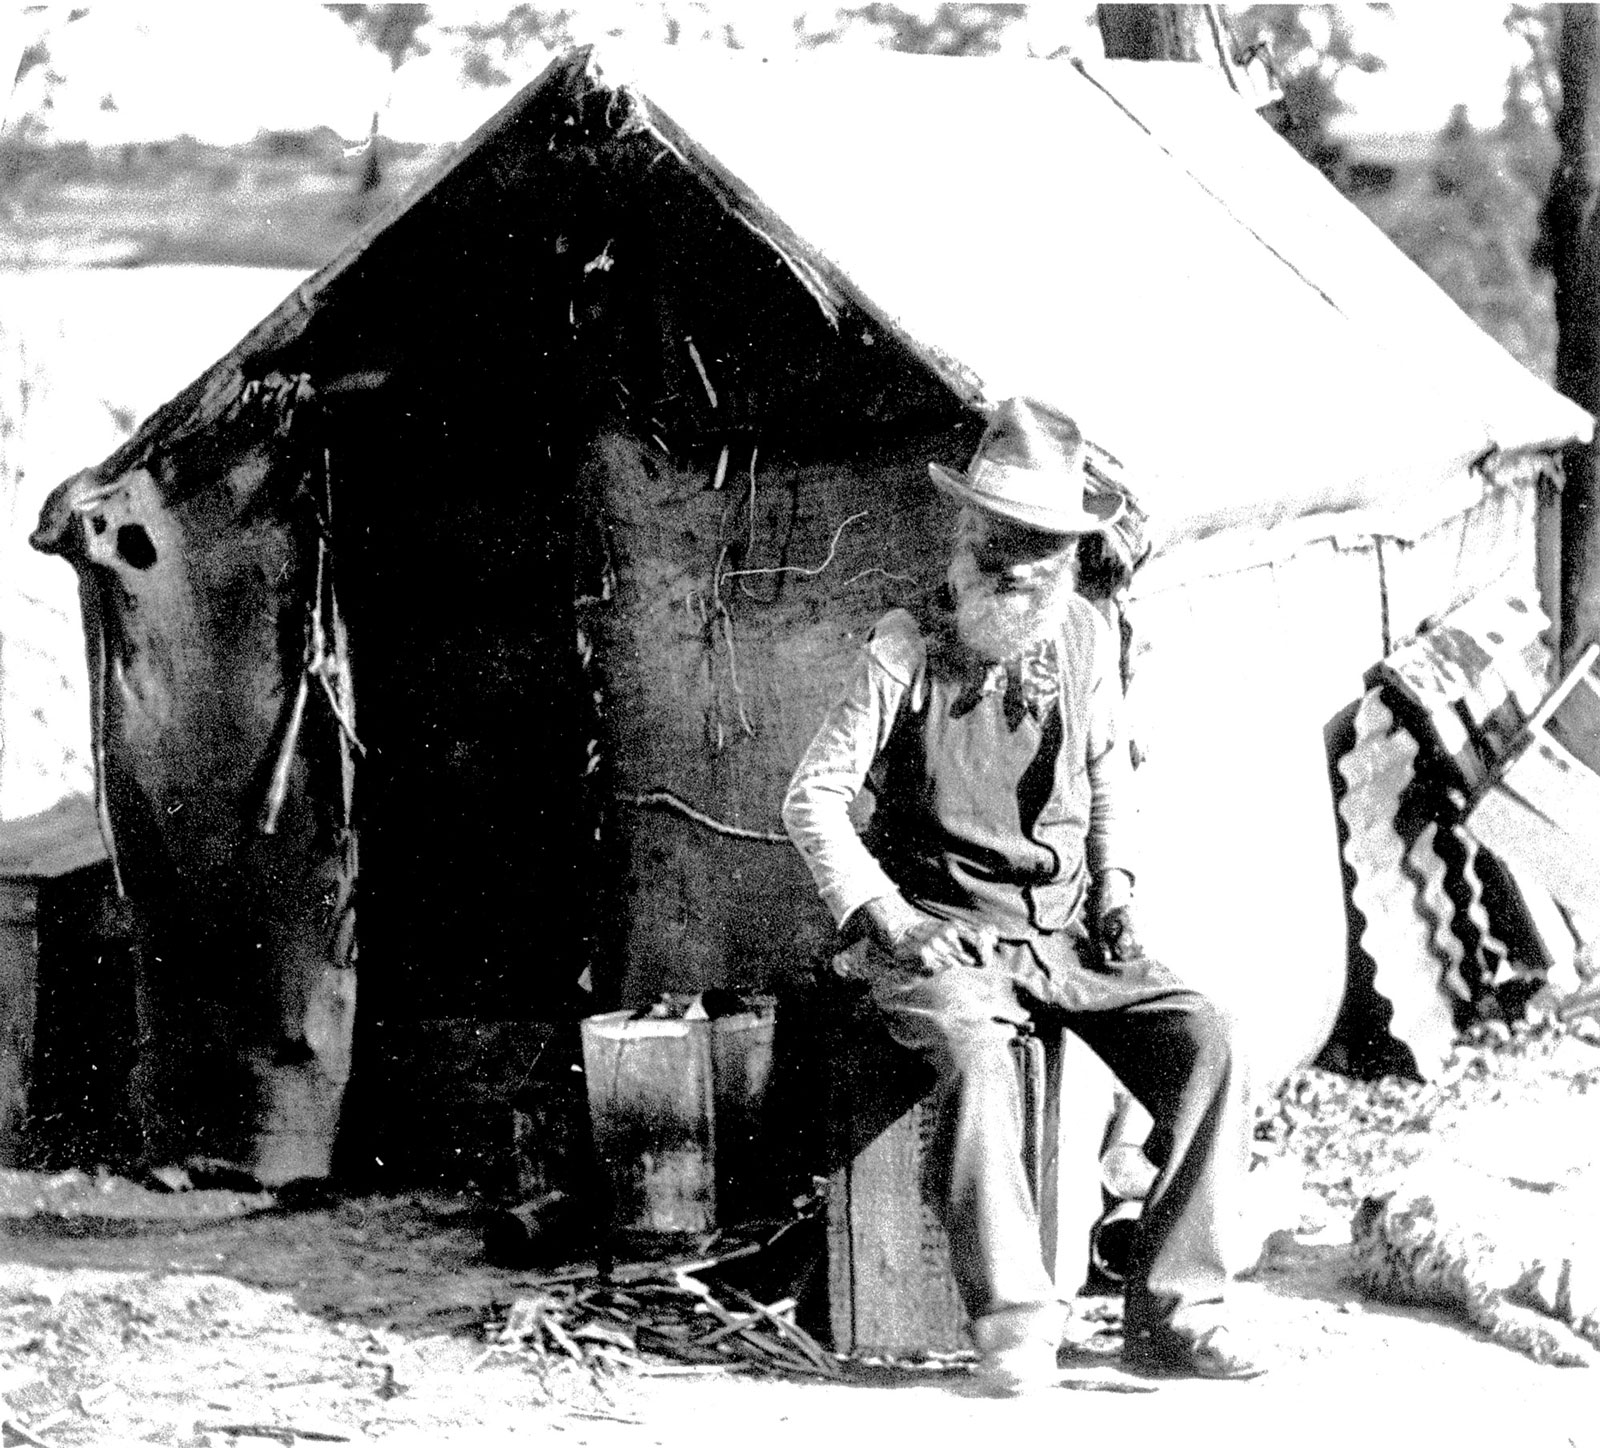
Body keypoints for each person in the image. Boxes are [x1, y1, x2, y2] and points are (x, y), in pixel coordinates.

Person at [782, 397, 1260, 1393]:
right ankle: (1012, 1320)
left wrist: (1116, 891)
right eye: (996, 539)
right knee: (973, 1050)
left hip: (1065, 938)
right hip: (942, 933)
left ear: (1069, 552)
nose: (1014, 566)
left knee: (1205, 1036)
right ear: (967, 532)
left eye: (1039, 547)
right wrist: (891, 917)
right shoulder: (906, 644)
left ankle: (1178, 1309)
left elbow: (1109, 776)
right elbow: (811, 797)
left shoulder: (1086, 634)